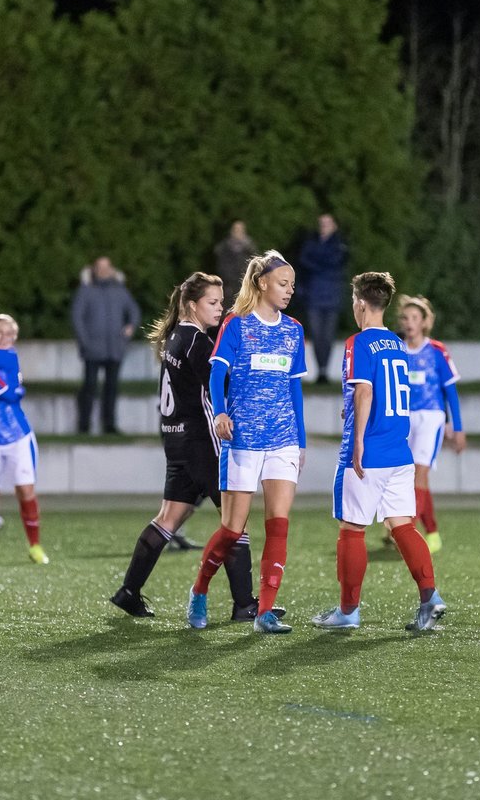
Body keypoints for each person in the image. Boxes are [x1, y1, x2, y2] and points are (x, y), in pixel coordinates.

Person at [110, 272, 257, 619]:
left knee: (169, 518)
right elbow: (222, 384)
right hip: (202, 442)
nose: (220, 308)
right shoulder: (197, 341)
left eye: (221, 302)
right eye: (212, 303)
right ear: (192, 305)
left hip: (176, 440)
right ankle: (244, 604)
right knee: (237, 520)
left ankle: (128, 591)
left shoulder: (177, 337)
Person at [311, 272, 446, 632]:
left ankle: (348, 611)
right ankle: (430, 597)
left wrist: (357, 440)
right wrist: (354, 410)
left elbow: (366, 392)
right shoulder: (397, 345)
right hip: (400, 453)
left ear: (359, 303)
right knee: (402, 525)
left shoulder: (358, 342)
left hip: (368, 454)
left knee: (352, 529)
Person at [186, 251, 306, 634]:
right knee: (232, 530)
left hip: (283, 440)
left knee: (279, 526)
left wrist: (300, 441)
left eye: (291, 284)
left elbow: (295, 388)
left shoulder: (294, 330)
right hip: (243, 440)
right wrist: (220, 413)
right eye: (283, 283)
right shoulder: (236, 325)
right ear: (262, 284)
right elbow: (216, 375)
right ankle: (200, 590)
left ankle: (264, 611)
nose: (289, 290)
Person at [0, 314, 48, 566]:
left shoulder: (7, 357)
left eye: (8, 334)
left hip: (17, 435)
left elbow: (11, 395)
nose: (2, 337)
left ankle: (35, 545)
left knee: (25, 490)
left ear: (14, 338)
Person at [397, 295, 466, 553]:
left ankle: (406, 532)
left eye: (415, 318)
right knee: (410, 477)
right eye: (405, 317)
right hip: (404, 416)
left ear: (425, 322)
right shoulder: (396, 349)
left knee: (420, 472)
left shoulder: (436, 351)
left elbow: (451, 392)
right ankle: (432, 531)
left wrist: (456, 427)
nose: (410, 322)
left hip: (431, 416)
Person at [71, 256, 140, 435]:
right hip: (93, 349)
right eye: (100, 267)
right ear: (94, 269)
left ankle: (109, 425)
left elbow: (133, 311)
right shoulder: (86, 290)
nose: (103, 270)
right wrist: (85, 341)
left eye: (107, 267)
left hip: (114, 349)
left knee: (111, 388)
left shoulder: (119, 290)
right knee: (90, 387)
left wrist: (130, 328)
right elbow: (77, 317)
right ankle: (83, 425)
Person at [297, 213, 347, 384]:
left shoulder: (339, 244)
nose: (324, 226)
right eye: (322, 223)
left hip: (331, 296)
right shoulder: (311, 243)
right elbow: (304, 261)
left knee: (328, 335)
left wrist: (316, 263)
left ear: (334, 225)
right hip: (314, 296)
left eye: (327, 223)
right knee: (317, 334)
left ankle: (325, 369)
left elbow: (334, 263)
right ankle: (321, 369)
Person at [212, 221, 257, 306]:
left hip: (246, 291)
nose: (238, 232)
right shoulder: (223, 249)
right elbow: (222, 269)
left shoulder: (250, 250)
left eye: (241, 230)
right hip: (228, 291)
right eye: (236, 229)